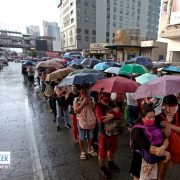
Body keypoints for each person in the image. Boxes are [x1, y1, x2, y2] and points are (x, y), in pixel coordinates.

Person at [130, 103, 170, 180]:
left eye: (153, 117)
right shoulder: (137, 129)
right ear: (142, 117)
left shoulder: (154, 125)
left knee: (152, 177)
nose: (152, 119)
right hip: (140, 158)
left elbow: (165, 138)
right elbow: (147, 147)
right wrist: (165, 152)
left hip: (153, 158)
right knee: (138, 177)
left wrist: (162, 148)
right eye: (149, 117)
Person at [95, 92, 121, 179]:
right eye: (104, 99)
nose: (106, 101)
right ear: (101, 97)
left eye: (108, 98)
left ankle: (110, 162)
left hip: (114, 132)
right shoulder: (98, 106)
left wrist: (112, 115)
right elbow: (101, 119)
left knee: (112, 149)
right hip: (104, 134)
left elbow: (120, 114)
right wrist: (113, 112)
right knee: (102, 152)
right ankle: (102, 167)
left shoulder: (112, 103)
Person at [155, 95, 180, 180]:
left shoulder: (178, 114)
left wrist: (168, 124)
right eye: (171, 106)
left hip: (176, 145)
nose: (174, 108)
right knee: (160, 166)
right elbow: (167, 135)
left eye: (175, 106)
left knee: (166, 167)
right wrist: (167, 122)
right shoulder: (158, 117)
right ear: (164, 106)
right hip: (163, 148)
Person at [73, 87, 97, 160]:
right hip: (81, 121)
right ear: (79, 92)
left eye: (86, 92)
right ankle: (82, 151)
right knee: (82, 137)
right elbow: (76, 111)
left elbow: (94, 108)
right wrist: (83, 103)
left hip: (91, 120)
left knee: (90, 136)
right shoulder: (76, 99)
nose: (85, 94)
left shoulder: (92, 98)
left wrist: (89, 102)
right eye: (83, 92)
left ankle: (89, 149)